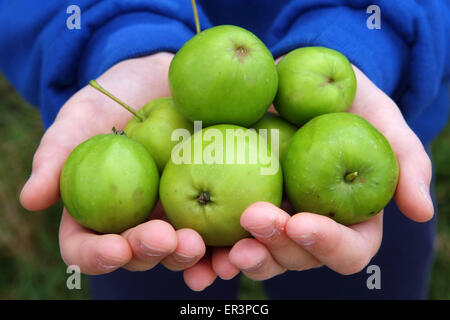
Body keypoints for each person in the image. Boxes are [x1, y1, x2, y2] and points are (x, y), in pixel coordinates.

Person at [1, 0, 448, 299]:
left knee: (363, 274)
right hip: (154, 212)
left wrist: (372, 32)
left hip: (337, 188)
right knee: (148, 269)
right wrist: (116, 34)